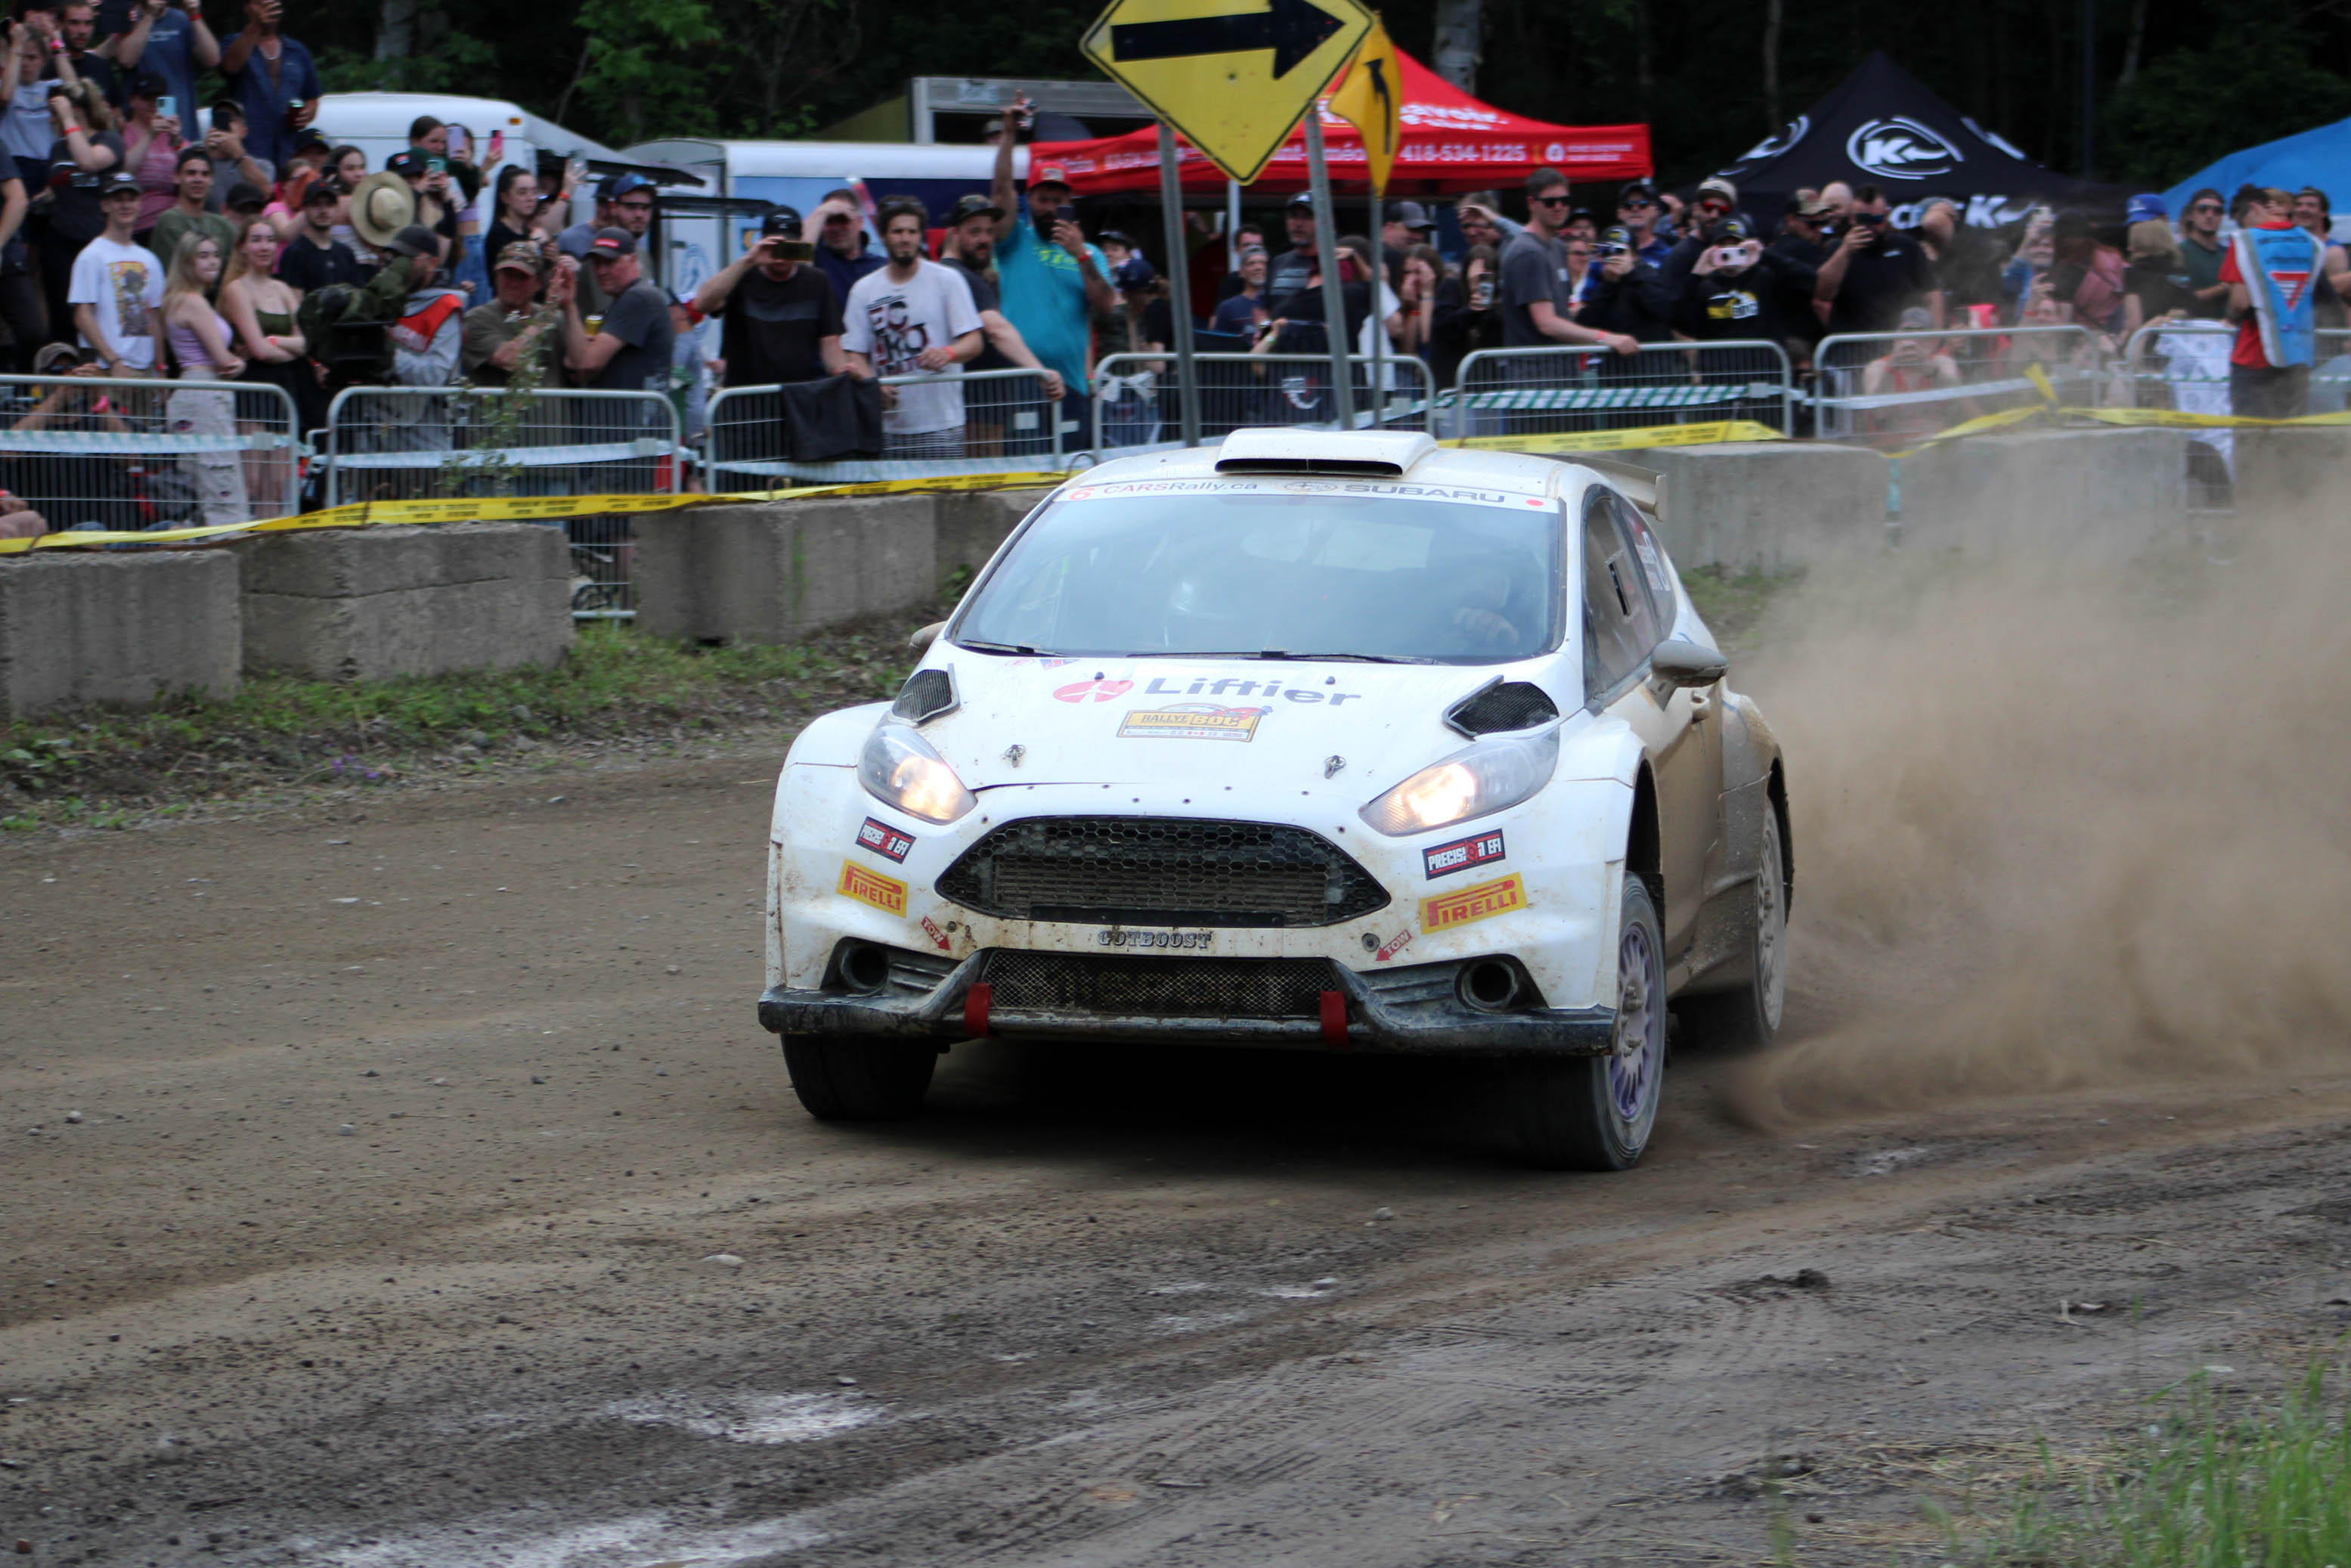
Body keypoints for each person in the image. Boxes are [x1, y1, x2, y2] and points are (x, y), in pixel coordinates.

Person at [987, 110, 1111, 448]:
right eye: (1043, 199)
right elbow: (999, 193)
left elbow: (1106, 304)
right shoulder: (1016, 240)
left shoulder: (1089, 253)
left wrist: (1080, 255)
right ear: (1029, 201)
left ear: (1070, 204)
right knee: (1026, 471)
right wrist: (1009, 134)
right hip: (1023, 378)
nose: (1050, 208)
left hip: (1072, 384)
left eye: (1058, 201)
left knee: (1072, 471)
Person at [841, 197, 982, 459]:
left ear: (921, 236)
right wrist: (873, 385)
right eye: (897, 231)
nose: (905, 239)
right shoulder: (863, 290)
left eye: (912, 231)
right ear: (883, 236)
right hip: (888, 425)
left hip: (943, 421)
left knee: (946, 498)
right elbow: (855, 353)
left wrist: (947, 354)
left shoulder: (947, 280)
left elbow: (974, 340)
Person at [937, 191, 1066, 429]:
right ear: (954, 233)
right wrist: (1041, 373)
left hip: (976, 404)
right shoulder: (960, 277)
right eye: (974, 232)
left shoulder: (949, 275)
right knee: (983, 463)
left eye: (989, 232)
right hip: (978, 407)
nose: (985, 240)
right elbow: (998, 330)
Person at [691, 206, 847, 389]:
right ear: (762, 241)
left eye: (788, 246)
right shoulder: (742, 276)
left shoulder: (817, 281)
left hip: (798, 398)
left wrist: (841, 371)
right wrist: (748, 260)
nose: (780, 254)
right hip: (746, 398)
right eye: (774, 245)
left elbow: (830, 343)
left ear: (799, 245)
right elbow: (701, 304)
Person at [1499, 167, 1639, 365]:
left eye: (1565, 201)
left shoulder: (1557, 247)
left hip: (1559, 369)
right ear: (1532, 203)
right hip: (1534, 373)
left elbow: (1562, 312)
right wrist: (1606, 338)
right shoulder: (1529, 252)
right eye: (1550, 202)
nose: (1559, 207)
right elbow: (1547, 323)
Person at [159, 230, 247, 522]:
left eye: (216, 255)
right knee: (219, 481)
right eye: (203, 255)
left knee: (199, 484)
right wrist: (241, 361)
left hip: (195, 393)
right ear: (187, 261)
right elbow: (224, 361)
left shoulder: (181, 299)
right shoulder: (192, 302)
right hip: (205, 391)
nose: (213, 262)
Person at [2221, 187, 2327, 420]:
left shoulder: (2245, 242)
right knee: (2289, 434)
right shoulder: (2312, 243)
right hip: (2298, 354)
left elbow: (2240, 302)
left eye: (2241, 219)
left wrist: (2228, 316)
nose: (2241, 226)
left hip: (2252, 355)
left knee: (2250, 435)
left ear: (2255, 208)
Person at [219, 214, 317, 450]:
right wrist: (289, 347)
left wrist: (273, 340)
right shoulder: (237, 289)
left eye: (270, 240)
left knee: (281, 474)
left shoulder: (282, 288)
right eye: (257, 240)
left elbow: (307, 343)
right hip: (254, 394)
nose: (264, 247)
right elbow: (261, 351)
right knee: (258, 469)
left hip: (284, 390)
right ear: (243, 247)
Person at [43, 80, 129, 343]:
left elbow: (89, 161)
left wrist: (68, 118)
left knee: (100, 313)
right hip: (62, 242)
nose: (55, 118)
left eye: (61, 110)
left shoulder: (109, 139)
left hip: (97, 242)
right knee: (64, 314)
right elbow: (62, 179)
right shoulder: (59, 147)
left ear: (79, 109)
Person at [1813, 184, 1941, 334]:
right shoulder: (1837, 248)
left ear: (1887, 215)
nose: (1870, 227)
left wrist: (1935, 338)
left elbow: (1932, 294)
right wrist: (1845, 250)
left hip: (1900, 341)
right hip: (1855, 345)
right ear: (1853, 218)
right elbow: (1821, 295)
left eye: (1877, 220)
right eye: (1864, 220)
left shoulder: (1907, 247)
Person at [562, 225, 671, 397]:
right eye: (597, 264)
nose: (601, 271)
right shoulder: (618, 304)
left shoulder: (638, 297)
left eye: (610, 262)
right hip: (622, 420)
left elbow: (586, 362)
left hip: (635, 421)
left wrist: (569, 306)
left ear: (633, 259)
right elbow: (577, 370)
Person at [67, 171, 156, 374]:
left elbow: (155, 317)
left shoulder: (150, 259)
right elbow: (82, 316)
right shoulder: (91, 256)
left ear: (140, 204)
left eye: (131, 199)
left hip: (146, 370)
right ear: (105, 205)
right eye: (118, 200)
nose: (125, 205)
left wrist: (160, 368)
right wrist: (114, 361)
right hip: (106, 368)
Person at [96, 0, 218, 148]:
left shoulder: (181, 19)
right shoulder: (131, 19)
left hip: (180, 118)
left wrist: (194, 15)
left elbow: (212, 59)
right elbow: (126, 60)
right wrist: (149, 17)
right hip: (141, 128)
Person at [218, 0, 316, 172]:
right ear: (247, 8)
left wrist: (307, 114)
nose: (266, 8)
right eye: (259, 3)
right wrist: (255, 25)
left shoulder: (297, 51)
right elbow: (231, 67)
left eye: (271, 3)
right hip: (248, 152)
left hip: (289, 152)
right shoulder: (233, 43)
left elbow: (312, 97)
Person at [461, 240, 564, 388]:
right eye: (508, 275)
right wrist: (546, 315)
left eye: (522, 277)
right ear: (496, 277)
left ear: (538, 283)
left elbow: (582, 366)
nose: (514, 283)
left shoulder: (557, 318)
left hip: (547, 411)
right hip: (500, 411)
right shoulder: (476, 318)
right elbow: (510, 359)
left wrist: (571, 306)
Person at [145, 144, 231, 276]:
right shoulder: (169, 221)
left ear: (212, 180)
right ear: (177, 177)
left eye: (205, 174)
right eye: (191, 173)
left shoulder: (222, 224)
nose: (198, 179)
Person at [2047, 209, 2126, 339]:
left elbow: (2063, 326)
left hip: (2084, 342)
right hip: (2116, 336)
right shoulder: (2113, 257)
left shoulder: (2068, 273)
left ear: (2066, 240)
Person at [277, 175, 364, 293]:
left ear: (336, 209)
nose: (323, 210)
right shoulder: (295, 253)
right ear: (305, 209)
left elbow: (356, 296)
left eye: (329, 205)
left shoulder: (346, 254)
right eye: (316, 204)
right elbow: (294, 303)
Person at [119, 71, 181, 233]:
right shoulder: (123, 134)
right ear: (133, 100)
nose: (153, 104)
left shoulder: (172, 132)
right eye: (147, 98)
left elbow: (193, 176)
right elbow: (125, 173)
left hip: (176, 221)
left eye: (159, 99)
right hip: (141, 224)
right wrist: (149, 136)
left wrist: (177, 142)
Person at [807, 186, 881, 303]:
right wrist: (822, 211)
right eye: (829, 220)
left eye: (843, 219)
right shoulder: (818, 260)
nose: (836, 228)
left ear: (860, 222)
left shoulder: (880, 266)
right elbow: (796, 261)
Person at [198, 95, 269, 212]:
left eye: (232, 118)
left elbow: (266, 192)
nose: (226, 123)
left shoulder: (262, 165)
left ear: (244, 131)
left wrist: (238, 154)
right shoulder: (199, 156)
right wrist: (206, 156)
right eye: (219, 118)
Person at [2175, 187, 2229, 319]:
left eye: (2217, 211)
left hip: (2226, 331)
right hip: (2192, 331)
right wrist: (2223, 288)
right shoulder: (2179, 253)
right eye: (2202, 209)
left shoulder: (2228, 254)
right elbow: (2180, 300)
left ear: (2222, 217)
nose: (2210, 215)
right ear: (2191, 215)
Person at [56, 1, 116, 111]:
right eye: (74, 23)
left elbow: (118, 114)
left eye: (88, 23)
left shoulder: (102, 67)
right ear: (59, 25)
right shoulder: (48, 68)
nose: (82, 31)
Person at [484, 164, 547, 267]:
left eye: (534, 192)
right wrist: (534, 243)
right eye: (522, 192)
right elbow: (513, 269)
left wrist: (550, 260)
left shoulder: (529, 231)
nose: (531, 198)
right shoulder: (498, 233)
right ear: (505, 197)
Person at [1209, 244, 1267, 337]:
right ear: (1241, 272)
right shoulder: (1227, 308)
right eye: (1251, 263)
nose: (1258, 267)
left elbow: (1276, 341)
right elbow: (1217, 345)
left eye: (1263, 263)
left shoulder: (1275, 305)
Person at [1614, 181, 1673, 265]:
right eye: (1628, 205)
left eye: (1643, 204)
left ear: (1656, 211)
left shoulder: (1668, 254)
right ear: (1619, 213)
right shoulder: (1608, 252)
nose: (1635, 209)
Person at [1381, 200, 1435, 284]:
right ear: (1389, 228)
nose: (1419, 236)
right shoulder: (1375, 258)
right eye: (1412, 229)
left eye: (1422, 231)